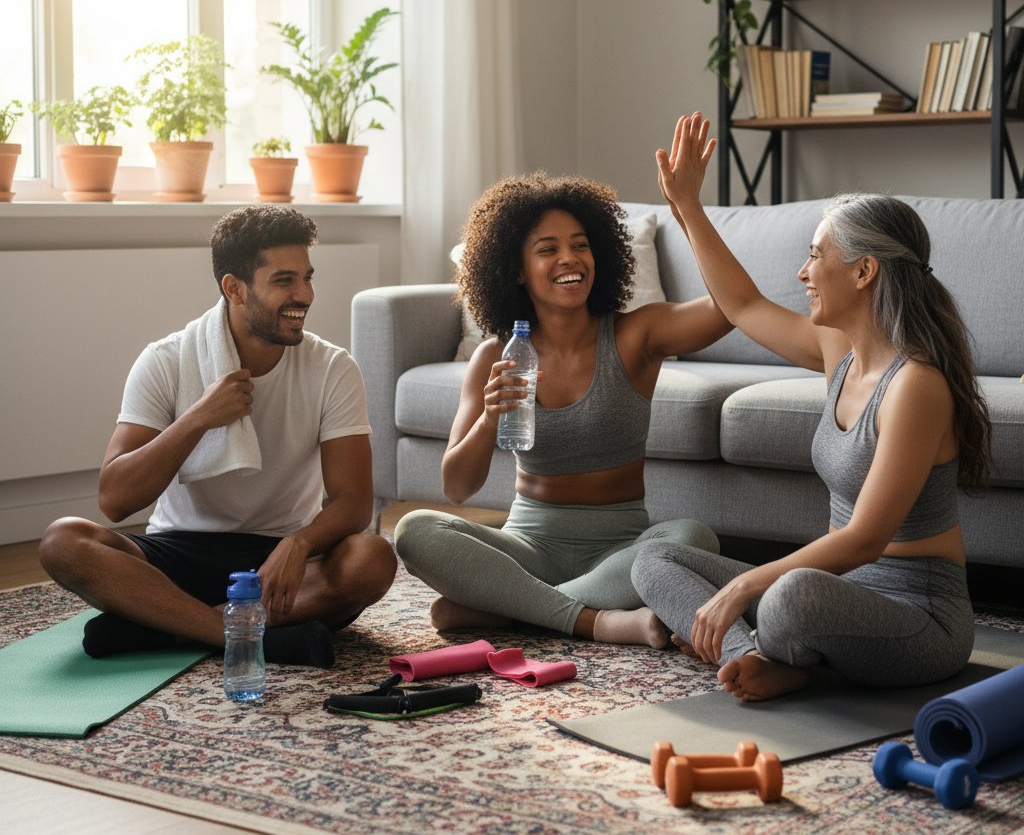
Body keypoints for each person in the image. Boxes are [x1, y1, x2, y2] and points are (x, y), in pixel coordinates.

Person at [631, 111, 992, 700]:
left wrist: (741, 589)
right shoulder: (839, 352)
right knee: (653, 560)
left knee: (789, 595)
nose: (803, 272)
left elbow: (865, 540)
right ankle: (753, 657)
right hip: (834, 595)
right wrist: (688, 207)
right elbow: (742, 305)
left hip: (918, 618)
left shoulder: (915, 386)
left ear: (864, 270)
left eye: (816, 255)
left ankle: (772, 646)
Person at [394, 145, 732, 648]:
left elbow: (730, 308)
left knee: (693, 539)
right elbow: (457, 488)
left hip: (621, 550)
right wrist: (489, 420)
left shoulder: (636, 335)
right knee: (414, 529)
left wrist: (689, 208)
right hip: (527, 548)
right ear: (516, 269)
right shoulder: (494, 357)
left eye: (580, 245)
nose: (569, 259)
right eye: (547, 249)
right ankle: (594, 620)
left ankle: (511, 609)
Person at [39, 204, 397, 667]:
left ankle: (161, 626)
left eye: (307, 277)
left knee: (372, 560)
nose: (305, 294)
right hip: (177, 552)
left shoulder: (332, 368)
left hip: (279, 560)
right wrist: (197, 419)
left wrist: (299, 544)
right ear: (234, 288)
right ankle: (235, 634)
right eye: (284, 280)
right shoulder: (165, 361)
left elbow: (354, 501)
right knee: (62, 542)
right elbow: (115, 500)